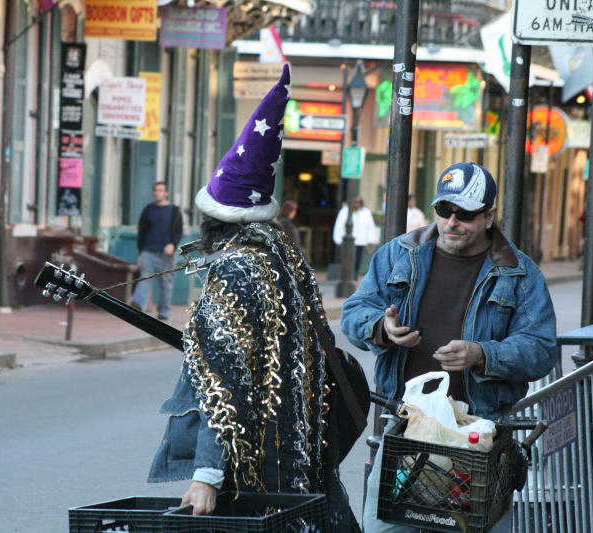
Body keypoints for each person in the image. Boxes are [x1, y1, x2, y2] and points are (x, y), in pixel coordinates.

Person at [147, 64, 360, 532]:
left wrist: (206, 474)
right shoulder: (287, 261)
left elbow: (223, 383)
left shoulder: (234, 270)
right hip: (301, 459)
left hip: (252, 471)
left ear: (211, 220)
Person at [340, 162, 559, 533]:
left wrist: (482, 354)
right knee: (382, 528)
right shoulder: (399, 253)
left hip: (480, 437)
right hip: (408, 431)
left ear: (489, 216)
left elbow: (540, 349)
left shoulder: (520, 273)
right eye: (444, 210)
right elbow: (354, 312)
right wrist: (382, 327)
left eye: (466, 214)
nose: (452, 222)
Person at [131, 182, 183, 320]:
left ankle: (164, 312)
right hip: (148, 250)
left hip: (167, 253)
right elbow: (142, 231)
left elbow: (178, 231)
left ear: (166, 193)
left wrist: (173, 244)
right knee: (145, 279)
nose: (157, 193)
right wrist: (141, 251)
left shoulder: (174, 211)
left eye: (160, 190)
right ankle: (137, 307)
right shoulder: (148, 209)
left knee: (166, 282)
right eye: (155, 190)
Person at [333, 196, 378, 279]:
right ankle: (346, 277)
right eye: (355, 202)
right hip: (347, 242)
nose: (356, 204)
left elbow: (370, 226)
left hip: (360, 241)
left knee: (357, 261)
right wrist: (338, 240)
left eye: (358, 202)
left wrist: (371, 240)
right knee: (347, 261)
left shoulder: (366, 212)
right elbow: (339, 226)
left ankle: (354, 277)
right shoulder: (344, 211)